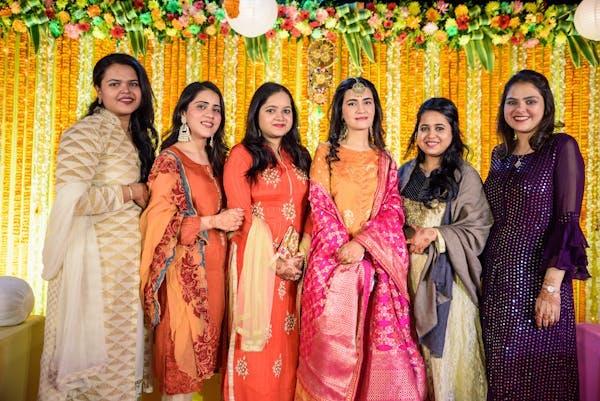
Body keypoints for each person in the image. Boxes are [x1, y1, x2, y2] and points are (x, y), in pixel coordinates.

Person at [296, 77, 426, 401]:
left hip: (376, 267)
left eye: (367, 101)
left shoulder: (385, 160)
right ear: (340, 111)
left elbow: (392, 211)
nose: (360, 108)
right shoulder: (326, 154)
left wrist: (363, 245)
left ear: (376, 109)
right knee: (329, 352)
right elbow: (321, 205)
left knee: (377, 350)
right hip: (331, 264)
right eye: (352, 103)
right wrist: (345, 251)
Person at [39, 53, 158, 400]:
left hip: (124, 269)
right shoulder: (87, 131)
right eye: (115, 84)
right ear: (98, 90)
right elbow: (71, 202)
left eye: (133, 84)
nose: (125, 91)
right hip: (94, 268)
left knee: (121, 357)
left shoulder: (133, 137)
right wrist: (129, 191)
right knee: (96, 362)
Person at [481, 69, 591, 400]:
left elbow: (566, 221)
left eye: (531, 101)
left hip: (538, 284)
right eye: (512, 102)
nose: (521, 109)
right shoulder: (499, 157)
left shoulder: (561, 147)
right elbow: (486, 220)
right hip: (495, 285)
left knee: (540, 379)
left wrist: (551, 289)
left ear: (546, 106)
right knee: (500, 377)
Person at [139, 81, 243, 401]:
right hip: (184, 283)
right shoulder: (171, 160)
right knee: (181, 375)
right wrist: (213, 221)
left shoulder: (218, 160)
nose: (210, 114)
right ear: (184, 112)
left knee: (202, 374)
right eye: (202, 106)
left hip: (216, 279)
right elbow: (159, 225)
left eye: (216, 109)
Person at [222, 82, 312, 401]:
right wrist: (275, 261)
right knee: (255, 347)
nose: (279, 116)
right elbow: (241, 215)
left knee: (288, 345)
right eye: (271, 110)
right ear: (256, 114)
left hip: (296, 267)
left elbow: (313, 209)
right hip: (255, 264)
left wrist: (299, 256)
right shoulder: (242, 154)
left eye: (286, 110)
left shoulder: (299, 156)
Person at [398, 97, 491, 400]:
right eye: (424, 128)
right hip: (404, 282)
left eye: (440, 127)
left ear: (453, 132)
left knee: (446, 362)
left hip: (447, 283)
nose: (431, 135)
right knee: (410, 360)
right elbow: (388, 217)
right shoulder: (404, 173)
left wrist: (436, 234)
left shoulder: (464, 175)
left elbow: (478, 227)